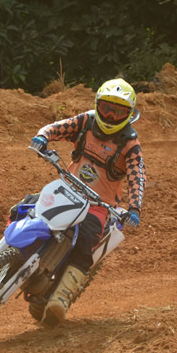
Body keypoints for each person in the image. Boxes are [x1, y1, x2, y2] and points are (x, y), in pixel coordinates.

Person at [29, 78, 145, 326]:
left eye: (118, 112)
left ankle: (60, 299)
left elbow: (137, 176)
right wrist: (42, 136)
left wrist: (134, 208)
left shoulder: (130, 144)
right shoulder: (86, 122)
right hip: (67, 188)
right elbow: (58, 127)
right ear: (97, 105)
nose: (110, 116)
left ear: (129, 114)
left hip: (99, 204)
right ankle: (8, 256)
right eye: (106, 109)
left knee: (86, 241)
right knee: (27, 207)